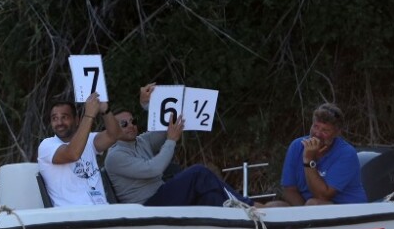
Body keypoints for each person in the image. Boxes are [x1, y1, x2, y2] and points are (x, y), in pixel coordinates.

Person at [105, 84, 253, 207]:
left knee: (210, 197)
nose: (131, 126)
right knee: (198, 172)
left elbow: (166, 127)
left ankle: (241, 218)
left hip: (160, 196)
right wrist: (171, 141)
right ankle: (247, 204)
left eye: (133, 121)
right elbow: (153, 169)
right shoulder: (114, 156)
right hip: (146, 207)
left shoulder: (141, 140)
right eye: (124, 124)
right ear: (112, 127)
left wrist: (146, 105)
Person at [271, 102, 367, 206]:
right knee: (274, 206)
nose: (317, 134)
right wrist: (301, 214)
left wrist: (308, 160)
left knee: (313, 203)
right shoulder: (296, 146)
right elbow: (289, 189)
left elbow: (323, 196)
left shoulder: (346, 153)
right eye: (316, 127)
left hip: (347, 209)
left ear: (336, 133)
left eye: (325, 130)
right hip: (307, 208)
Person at [37, 93, 121, 206]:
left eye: (64, 117)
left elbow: (114, 135)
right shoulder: (47, 145)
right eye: (55, 118)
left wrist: (105, 110)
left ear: (76, 120)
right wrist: (89, 115)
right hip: (72, 217)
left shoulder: (89, 139)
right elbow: (73, 154)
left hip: (101, 211)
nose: (59, 123)